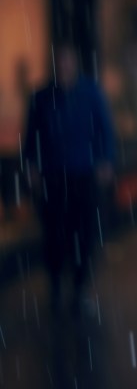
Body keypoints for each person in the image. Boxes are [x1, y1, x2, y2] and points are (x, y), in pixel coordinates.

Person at [23, 41, 116, 314]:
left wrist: (105, 161)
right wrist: (31, 167)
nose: (63, 67)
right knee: (53, 233)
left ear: (74, 63)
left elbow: (104, 130)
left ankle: (79, 287)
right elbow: (32, 137)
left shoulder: (90, 93)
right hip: (53, 176)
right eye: (59, 62)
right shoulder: (41, 98)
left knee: (82, 232)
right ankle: (55, 285)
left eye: (67, 61)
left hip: (82, 175)